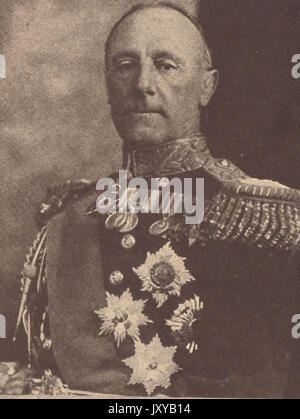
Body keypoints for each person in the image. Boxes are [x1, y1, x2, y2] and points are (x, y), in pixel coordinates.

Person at [1, 2, 300, 397]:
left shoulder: (263, 217)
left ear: (207, 86)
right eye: (125, 64)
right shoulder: (67, 218)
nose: (142, 83)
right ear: (108, 83)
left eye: (166, 64)